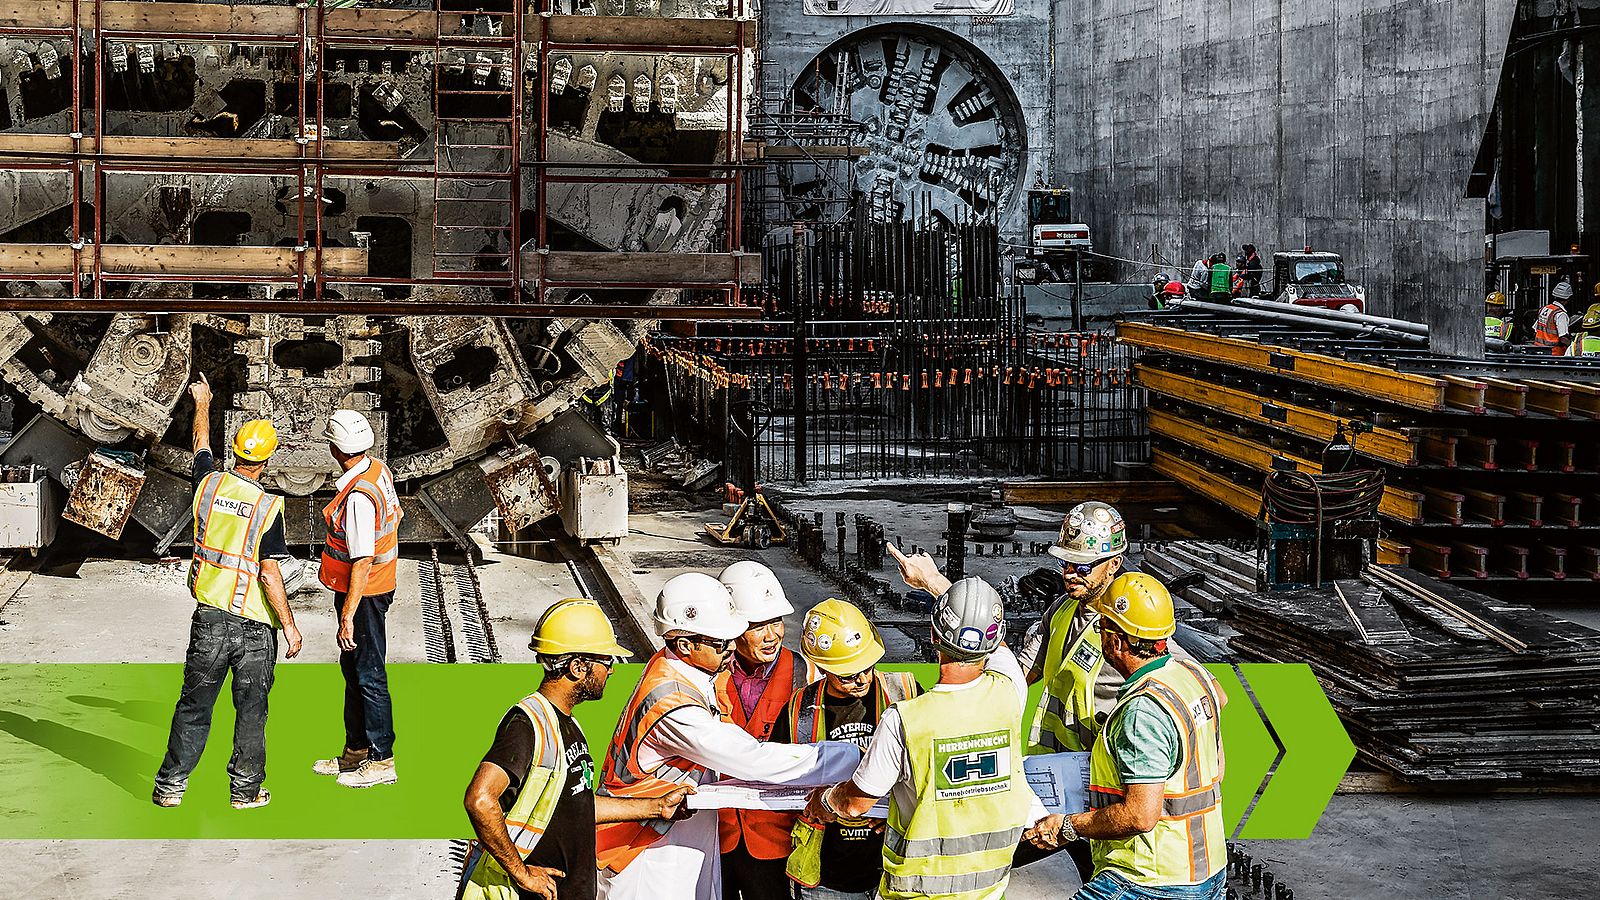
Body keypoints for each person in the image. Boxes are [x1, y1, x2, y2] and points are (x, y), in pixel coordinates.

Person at [595, 573, 861, 900]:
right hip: (644, 853)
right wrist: (853, 758)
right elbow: (752, 759)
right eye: (721, 642)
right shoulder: (673, 706)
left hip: (681, 843)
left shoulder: (676, 670)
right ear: (684, 644)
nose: (732, 647)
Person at [802, 577, 1061, 900]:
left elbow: (854, 803)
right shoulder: (1010, 692)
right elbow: (1002, 652)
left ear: (933, 635)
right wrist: (936, 583)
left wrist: (825, 801)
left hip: (917, 892)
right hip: (987, 890)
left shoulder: (905, 720)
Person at [459, 598, 696, 900]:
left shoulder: (567, 725)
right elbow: (480, 799)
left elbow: (577, 805)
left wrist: (656, 807)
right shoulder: (528, 724)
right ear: (577, 667)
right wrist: (521, 872)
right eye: (606, 662)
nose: (611, 671)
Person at [154, 374, 301, 810]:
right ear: (267, 461)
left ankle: (170, 788)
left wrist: (203, 399)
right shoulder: (267, 507)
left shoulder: (209, 484)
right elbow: (270, 574)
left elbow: (199, 444)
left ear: (235, 451)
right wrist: (290, 627)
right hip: (254, 628)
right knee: (252, 714)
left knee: (193, 706)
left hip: (209, 620)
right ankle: (245, 792)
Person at [1054, 574, 1227, 900]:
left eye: (1102, 628)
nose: (1099, 635)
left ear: (1117, 642)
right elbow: (1215, 761)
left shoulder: (1142, 711)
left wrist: (1069, 826)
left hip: (1149, 879)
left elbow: (1140, 815)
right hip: (1207, 869)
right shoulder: (1196, 676)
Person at [773, 599, 921, 900]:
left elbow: (931, 768)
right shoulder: (799, 710)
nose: (862, 679)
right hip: (828, 874)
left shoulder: (905, 692)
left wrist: (897, 809)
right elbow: (779, 786)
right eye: (848, 675)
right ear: (823, 667)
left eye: (867, 667)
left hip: (896, 867)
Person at [713, 561, 819, 900]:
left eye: (775, 621)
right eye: (757, 625)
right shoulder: (707, 675)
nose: (772, 634)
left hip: (780, 839)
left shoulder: (806, 674)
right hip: (717, 836)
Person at [314, 408, 404, 788]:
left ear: (335, 448)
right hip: (368, 590)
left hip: (365, 594)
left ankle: (382, 760)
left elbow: (363, 558)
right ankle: (356, 752)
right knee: (354, 671)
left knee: (369, 674)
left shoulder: (358, 498)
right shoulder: (376, 469)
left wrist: (347, 616)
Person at [1533, 279, 1576, 355]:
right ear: (1568, 298)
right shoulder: (1561, 314)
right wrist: (1574, 347)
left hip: (1539, 351)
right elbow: (1563, 339)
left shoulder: (1544, 309)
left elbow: (1536, 329)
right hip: (1554, 354)